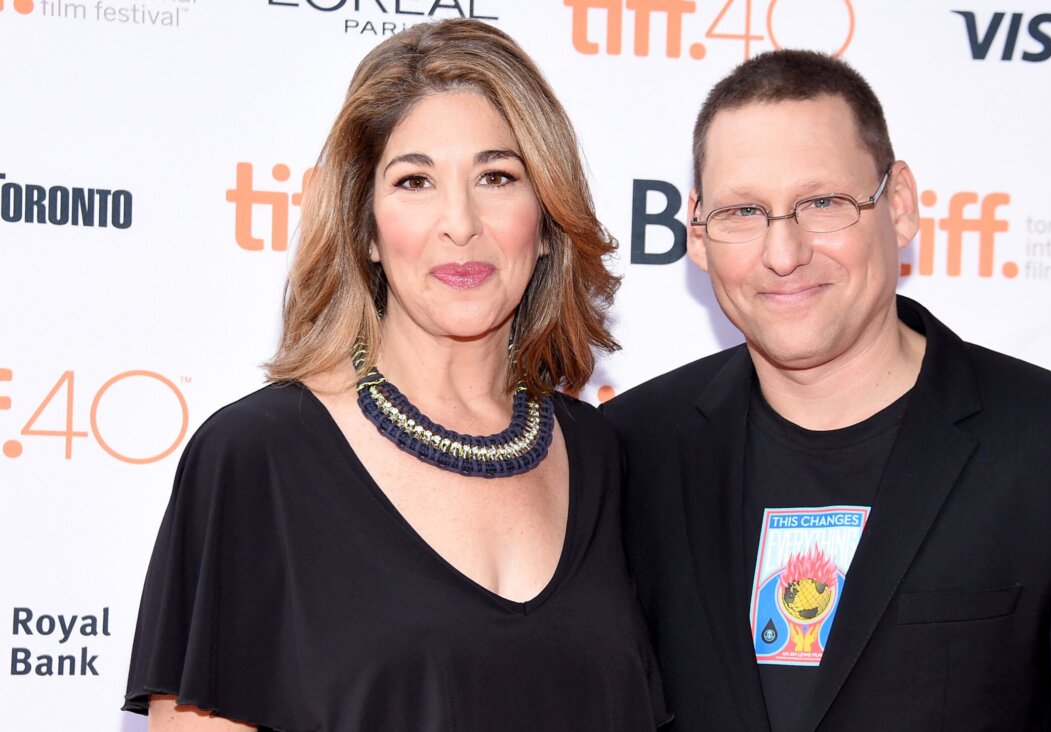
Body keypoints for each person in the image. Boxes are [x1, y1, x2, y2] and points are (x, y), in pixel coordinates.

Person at [603, 49, 1051, 731]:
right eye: (743, 211)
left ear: (901, 204)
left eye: (822, 203)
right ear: (699, 234)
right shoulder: (632, 450)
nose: (784, 252)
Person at [123, 20, 667, 731]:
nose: (459, 222)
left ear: (545, 219)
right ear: (368, 228)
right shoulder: (257, 460)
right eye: (415, 181)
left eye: (497, 177)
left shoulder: (601, 456)